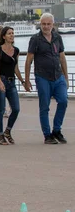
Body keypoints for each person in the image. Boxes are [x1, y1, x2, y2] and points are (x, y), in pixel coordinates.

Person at [25, 13, 69, 144]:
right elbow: (28, 60)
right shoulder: (35, 39)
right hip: (42, 77)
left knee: (63, 101)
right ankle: (47, 135)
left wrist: (66, 77)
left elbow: (62, 58)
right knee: (44, 107)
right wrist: (27, 80)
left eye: (48, 24)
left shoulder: (57, 37)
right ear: (40, 24)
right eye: (43, 24)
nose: (46, 26)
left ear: (52, 24)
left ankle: (57, 130)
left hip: (58, 76)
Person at [0, 27, 27, 145]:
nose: (12, 35)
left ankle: (8, 130)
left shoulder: (16, 50)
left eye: (13, 33)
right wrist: (0, 82)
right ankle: (1, 135)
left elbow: (16, 68)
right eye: (9, 34)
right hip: (1, 80)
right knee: (1, 110)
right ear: (4, 36)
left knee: (16, 109)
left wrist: (23, 81)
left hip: (11, 82)